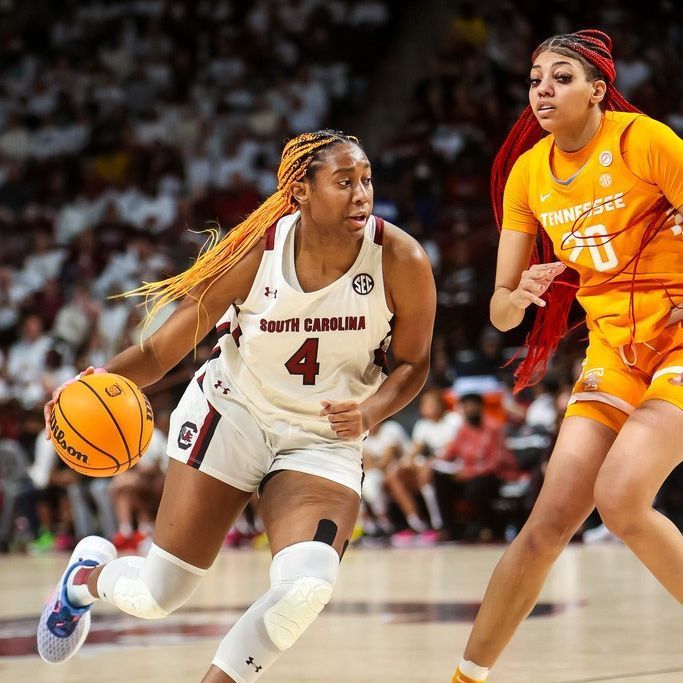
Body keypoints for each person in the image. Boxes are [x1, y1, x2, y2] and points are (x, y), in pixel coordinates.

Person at [37, 129, 436, 682]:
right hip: (231, 415)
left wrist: (370, 413)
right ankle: (85, 578)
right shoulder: (255, 253)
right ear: (299, 190)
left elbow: (415, 365)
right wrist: (90, 384)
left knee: (306, 587)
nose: (362, 194)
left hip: (322, 438)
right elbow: (161, 351)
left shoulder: (401, 258)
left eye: (366, 180)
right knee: (159, 595)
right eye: (344, 182)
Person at [452, 30, 683, 683]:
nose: (542, 91)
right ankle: (466, 676)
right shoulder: (529, 173)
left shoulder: (645, 142)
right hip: (614, 349)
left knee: (619, 498)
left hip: (677, 341)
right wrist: (515, 295)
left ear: (597, 91)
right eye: (534, 80)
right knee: (545, 525)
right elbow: (498, 312)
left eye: (560, 78)